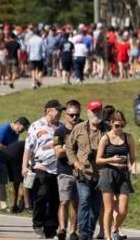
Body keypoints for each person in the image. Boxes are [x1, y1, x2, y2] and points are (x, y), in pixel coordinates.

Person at [23, 99, 64, 239]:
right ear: (48, 111)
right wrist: (24, 166)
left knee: (56, 199)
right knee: (42, 193)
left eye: (61, 110)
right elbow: (28, 147)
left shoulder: (62, 127)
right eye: (57, 110)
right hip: (41, 166)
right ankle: (38, 223)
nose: (60, 113)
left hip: (59, 168)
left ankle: (51, 229)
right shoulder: (36, 126)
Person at [65, 100, 106, 240]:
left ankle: (89, 231)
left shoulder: (107, 128)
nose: (96, 113)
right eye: (94, 111)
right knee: (84, 200)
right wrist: (75, 162)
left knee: (96, 205)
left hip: (101, 174)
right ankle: (83, 232)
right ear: (88, 112)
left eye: (98, 111)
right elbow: (69, 147)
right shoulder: (79, 128)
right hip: (83, 173)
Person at [96, 110, 136, 240]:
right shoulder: (105, 138)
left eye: (122, 125)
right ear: (111, 123)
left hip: (123, 174)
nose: (119, 128)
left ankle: (115, 228)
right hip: (107, 174)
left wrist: (133, 166)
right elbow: (98, 160)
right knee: (108, 209)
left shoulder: (128, 137)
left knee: (123, 210)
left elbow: (133, 157)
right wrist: (112, 160)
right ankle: (107, 236)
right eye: (117, 125)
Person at [0, 117, 30, 213]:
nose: (22, 131)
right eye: (22, 129)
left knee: (2, 183)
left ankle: (3, 206)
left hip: (3, 160)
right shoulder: (4, 128)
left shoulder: (15, 134)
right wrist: (9, 150)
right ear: (18, 124)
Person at [53, 99, 82, 240]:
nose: (74, 117)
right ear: (66, 115)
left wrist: (66, 148)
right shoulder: (59, 131)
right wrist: (72, 148)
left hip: (80, 172)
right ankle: (62, 228)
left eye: (77, 115)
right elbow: (58, 152)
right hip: (64, 171)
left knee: (76, 203)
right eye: (71, 115)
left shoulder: (84, 128)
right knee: (64, 201)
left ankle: (73, 231)